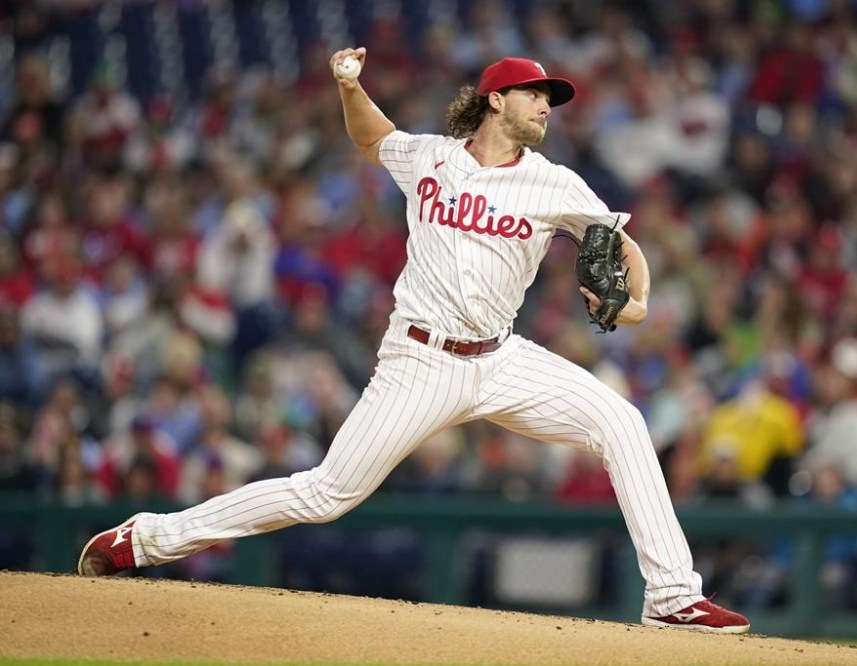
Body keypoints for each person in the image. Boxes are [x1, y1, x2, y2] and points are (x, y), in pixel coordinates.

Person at [76, 48, 750, 634]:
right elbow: (375, 140)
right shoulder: (429, 156)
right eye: (535, 93)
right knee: (325, 494)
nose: (547, 105)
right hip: (420, 359)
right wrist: (348, 87)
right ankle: (149, 537)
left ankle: (671, 595)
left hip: (501, 358)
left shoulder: (554, 183)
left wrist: (636, 305)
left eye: (552, 97)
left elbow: (621, 246)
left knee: (622, 422)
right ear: (496, 99)